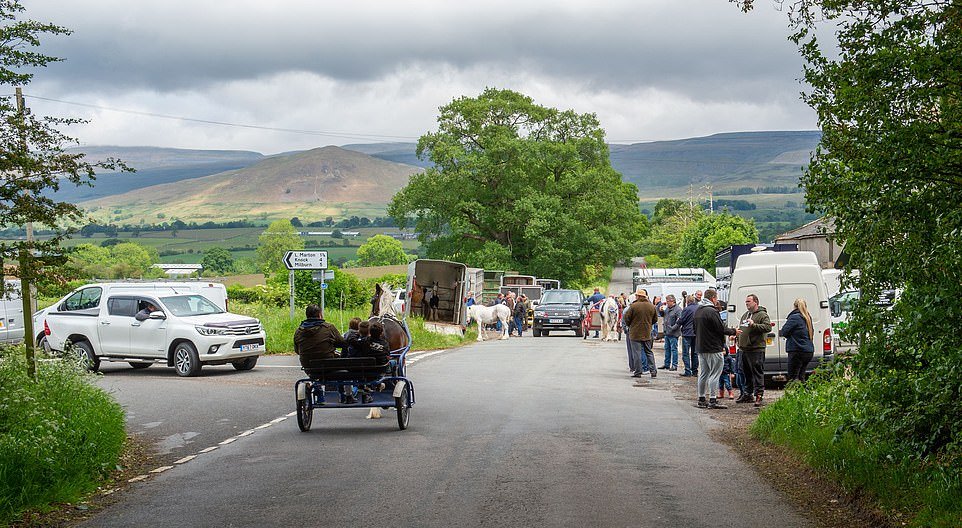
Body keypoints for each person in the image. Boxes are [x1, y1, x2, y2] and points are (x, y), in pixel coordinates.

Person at [693, 289, 736, 409]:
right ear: (713, 298)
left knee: (703, 373)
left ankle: (701, 398)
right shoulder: (712, 311)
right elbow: (720, 329)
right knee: (715, 373)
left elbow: (694, 329)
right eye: (716, 298)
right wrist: (734, 331)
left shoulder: (698, 311)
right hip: (713, 347)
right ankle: (713, 399)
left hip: (701, 346)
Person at [735, 293, 772, 407]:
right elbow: (742, 328)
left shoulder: (762, 315)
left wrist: (754, 325)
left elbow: (768, 327)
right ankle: (748, 394)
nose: (746, 304)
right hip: (744, 349)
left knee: (757, 372)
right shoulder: (745, 315)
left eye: (748, 301)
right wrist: (736, 336)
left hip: (756, 349)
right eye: (746, 302)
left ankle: (759, 395)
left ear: (755, 302)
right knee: (746, 373)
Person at [623, 287, 659, 379]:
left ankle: (638, 372)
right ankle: (653, 371)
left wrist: (631, 325)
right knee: (649, 352)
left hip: (635, 333)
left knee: (637, 353)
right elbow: (655, 319)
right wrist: (648, 324)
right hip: (647, 332)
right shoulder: (651, 306)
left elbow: (627, 318)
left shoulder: (633, 306)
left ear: (638, 296)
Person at [780, 298, 815, 382]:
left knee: (793, 377)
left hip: (797, 350)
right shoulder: (807, 317)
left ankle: (794, 393)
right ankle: (803, 393)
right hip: (808, 351)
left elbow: (784, 332)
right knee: (801, 375)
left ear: (795, 307)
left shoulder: (794, 318)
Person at [677, 295, 699, 377]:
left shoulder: (686, 309)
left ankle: (687, 371)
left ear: (687, 301)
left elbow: (681, 320)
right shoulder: (699, 308)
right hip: (696, 333)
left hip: (687, 333)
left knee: (686, 353)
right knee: (695, 353)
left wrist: (678, 322)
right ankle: (695, 371)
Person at [661, 295, 681, 371]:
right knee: (667, 349)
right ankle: (667, 364)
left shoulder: (678, 309)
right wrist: (661, 311)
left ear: (672, 301)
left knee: (673, 349)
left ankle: (674, 365)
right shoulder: (667, 309)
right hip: (667, 332)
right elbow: (664, 316)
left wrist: (673, 328)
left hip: (673, 333)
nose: (666, 303)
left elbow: (679, 321)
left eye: (667, 301)